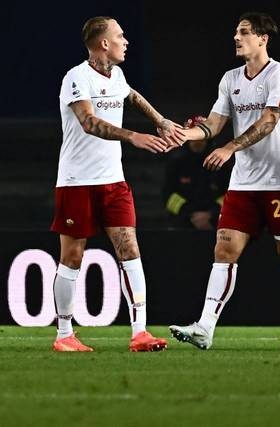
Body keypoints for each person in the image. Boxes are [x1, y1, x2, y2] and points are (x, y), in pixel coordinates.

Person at [168, 12, 280, 351]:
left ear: (263, 38)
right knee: (224, 250)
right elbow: (214, 124)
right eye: (236, 32)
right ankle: (204, 328)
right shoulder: (230, 78)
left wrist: (231, 147)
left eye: (244, 32)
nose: (236, 37)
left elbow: (268, 121)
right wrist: (183, 134)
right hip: (244, 185)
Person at [51, 16, 183, 352]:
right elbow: (88, 122)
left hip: (114, 182)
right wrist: (134, 136)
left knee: (130, 251)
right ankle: (64, 335)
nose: (126, 41)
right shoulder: (76, 78)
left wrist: (161, 121)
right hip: (77, 181)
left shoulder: (117, 74)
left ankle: (139, 332)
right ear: (103, 43)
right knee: (72, 256)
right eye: (120, 36)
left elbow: (132, 96)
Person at [163, 116, 230, 230]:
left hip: (215, 223)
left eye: (201, 137)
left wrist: (210, 215)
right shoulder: (176, 162)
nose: (197, 141)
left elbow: (229, 195)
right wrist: (191, 215)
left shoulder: (220, 162)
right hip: (183, 223)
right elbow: (168, 195)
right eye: (193, 136)